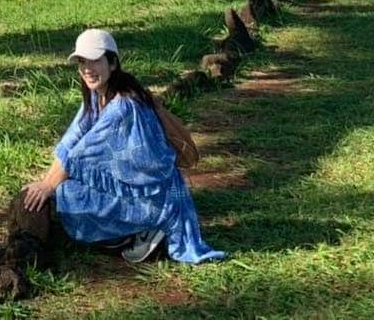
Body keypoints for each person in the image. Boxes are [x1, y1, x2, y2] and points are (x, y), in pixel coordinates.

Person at [21, 28, 225, 265]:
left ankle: (144, 230)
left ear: (113, 63)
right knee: (65, 189)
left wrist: (48, 186)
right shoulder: (98, 96)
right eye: (82, 62)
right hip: (141, 187)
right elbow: (71, 140)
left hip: (157, 197)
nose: (87, 68)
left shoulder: (123, 107)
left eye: (95, 61)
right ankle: (135, 231)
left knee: (68, 193)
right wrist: (46, 181)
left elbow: (78, 155)